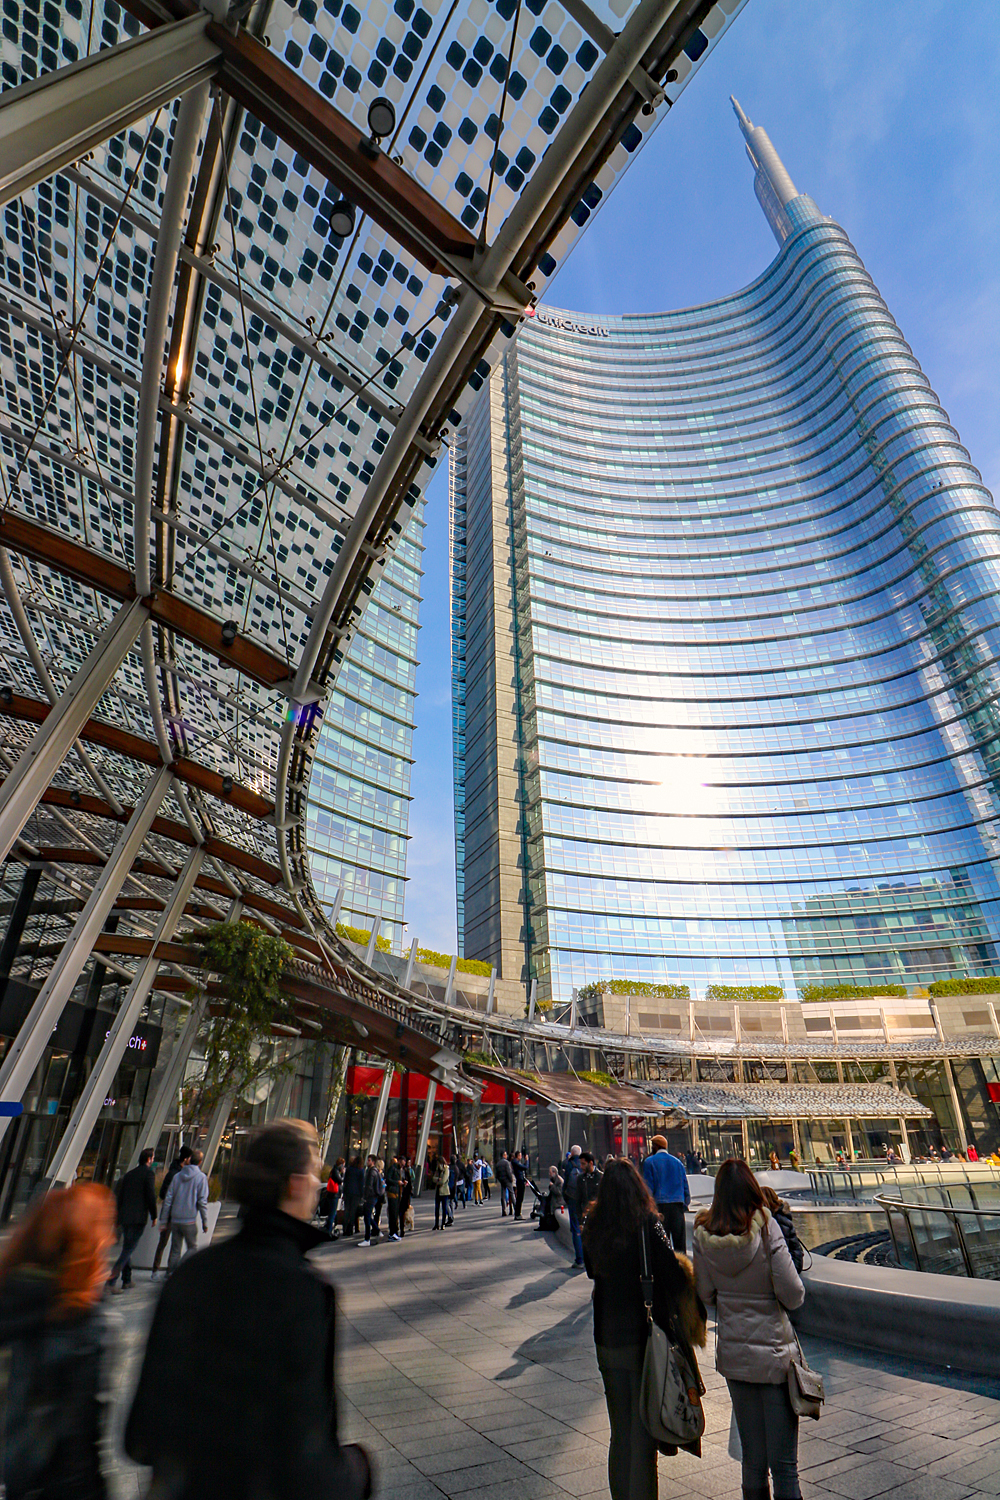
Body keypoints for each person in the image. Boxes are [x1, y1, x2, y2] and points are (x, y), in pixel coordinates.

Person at [125, 1121, 372, 1500]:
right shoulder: (302, 1291)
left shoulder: (191, 1275)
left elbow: (140, 1437)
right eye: (313, 1172)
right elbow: (307, 1457)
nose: (318, 1183)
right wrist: (357, 1471)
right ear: (294, 1183)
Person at [583, 1158, 706, 1500]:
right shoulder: (647, 1223)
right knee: (642, 1435)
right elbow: (672, 1274)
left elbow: (592, 1271)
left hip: (606, 1339)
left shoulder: (592, 1224)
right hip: (643, 1337)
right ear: (639, 1187)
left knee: (619, 1433)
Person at [693, 1160, 805, 1500]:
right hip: (774, 1357)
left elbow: (705, 1293)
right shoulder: (766, 1226)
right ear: (751, 1189)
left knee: (752, 1461)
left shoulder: (703, 1235)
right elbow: (793, 1293)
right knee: (784, 1464)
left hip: (735, 1355)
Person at [0, 1183, 117, 1500]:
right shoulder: (78, 1323)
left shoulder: (10, 1295)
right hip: (56, 1485)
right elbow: (79, 1436)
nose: (112, 1240)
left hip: (15, 1474)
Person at [108, 1147, 157, 1292]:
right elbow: (151, 1196)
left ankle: (127, 1280)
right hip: (137, 1218)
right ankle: (110, 1282)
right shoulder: (148, 1174)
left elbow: (120, 1197)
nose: (153, 1160)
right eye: (153, 1158)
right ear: (149, 1159)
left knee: (127, 1248)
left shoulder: (128, 1175)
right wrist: (154, 1215)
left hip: (125, 1217)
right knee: (128, 1249)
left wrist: (117, 1217)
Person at [641, 1134, 690, 1254]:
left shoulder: (649, 1162)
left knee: (662, 1245)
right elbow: (685, 1186)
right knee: (680, 1244)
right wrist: (685, 1202)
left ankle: (666, 1270)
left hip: (660, 1207)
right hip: (677, 1206)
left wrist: (648, 1207)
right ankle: (682, 1269)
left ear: (656, 1146)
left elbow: (648, 1187)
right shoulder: (678, 1162)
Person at [162, 1147, 209, 1270]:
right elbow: (202, 1201)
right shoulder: (201, 1177)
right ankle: (178, 1268)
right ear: (200, 1162)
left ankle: (170, 1273)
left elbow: (168, 1199)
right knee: (192, 1248)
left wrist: (164, 1219)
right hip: (189, 1219)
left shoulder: (177, 1176)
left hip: (175, 1219)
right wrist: (205, 1221)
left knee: (175, 1249)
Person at [150, 1143, 193, 1278]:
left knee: (172, 1243)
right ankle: (159, 1271)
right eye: (190, 1158)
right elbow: (164, 1194)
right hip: (172, 1214)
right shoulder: (175, 1174)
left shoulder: (178, 1173)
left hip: (175, 1214)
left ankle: (164, 1271)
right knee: (167, 1243)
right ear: (186, 1159)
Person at [760, 1186, 805, 1274]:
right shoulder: (780, 1216)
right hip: (793, 1260)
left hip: (793, 1264)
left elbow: (782, 1248)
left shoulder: (778, 1220)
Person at [562, 1144, 585, 1267]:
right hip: (584, 1201)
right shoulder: (584, 1164)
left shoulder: (569, 1164)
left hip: (573, 1200)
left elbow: (565, 1185)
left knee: (576, 1228)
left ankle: (579, 1260)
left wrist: (567, 1198)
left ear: (571, 1153)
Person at [360, 1155, 382, 1246]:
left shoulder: (371, 1172)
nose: (367, 1162)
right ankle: (377, 1231)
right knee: (368, 1216)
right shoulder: (375, 1171)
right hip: (373, 1197)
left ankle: (367, 1239)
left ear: (372, 1162)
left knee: (367, 1217)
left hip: (370, 1197)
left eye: (369, 1160)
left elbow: (369, 1186)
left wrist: (365, 1197)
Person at [342, 1155, 364, 1236]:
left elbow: (345, 1181)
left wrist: (344, 1192)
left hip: (348, 1192)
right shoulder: (361, 1171)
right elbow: (361, 1184)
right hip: (356, 1193)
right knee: (353, 1211)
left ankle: (345, 1229)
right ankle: (350, 1229)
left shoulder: (349, 1169)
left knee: (347, 1210)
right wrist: (362, 1194)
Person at [578, 1151, 603, 1219]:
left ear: (591, 1163)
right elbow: (578, 1199)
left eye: (583, 1164)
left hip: (599, 1215)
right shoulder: (580, 1178)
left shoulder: (601, 1177)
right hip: (585, 1215)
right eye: (581, 1164)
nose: (581, 1166)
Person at [324, 1159, 344, 1238]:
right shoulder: (336, 1171)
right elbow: (340, 1180)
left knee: (333, 1212)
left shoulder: (334, 1170)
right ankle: (329, 1230)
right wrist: (342, 1174)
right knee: (332, 1212)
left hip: (332, 1195)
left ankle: (329, 1227)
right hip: (333, 1195)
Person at [432, 1153, 453, 1229]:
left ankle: (443, 1224)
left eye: (438, 1163)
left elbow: (443, 1180)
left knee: (444, 1208)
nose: (438, 1165)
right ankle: (436, 1224)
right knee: (437, 1208)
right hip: (438, 1191)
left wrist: (438, 1181)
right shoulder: (438, 1170)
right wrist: (437, 1179)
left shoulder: (446, 1169)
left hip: (444, 1192)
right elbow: (433, 1178)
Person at [496, 1151, 515, 1216]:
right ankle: (515, 1208)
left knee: (503, 1195)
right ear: (504, 1155)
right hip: (507, 1180)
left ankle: (503, 1210)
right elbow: (509, 1172)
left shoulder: (498, 1163)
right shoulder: (507, 1163)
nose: (506, 1156)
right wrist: (511, 1179)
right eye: (506, 1154)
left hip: (502, 1180)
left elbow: (497, 1174)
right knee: (512, 1193)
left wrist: (500, 1179)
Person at [399, 1156, 413, 1236]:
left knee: (402, 1212)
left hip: (404, 1195)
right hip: (399, 1194)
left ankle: (402, 1229)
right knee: (399, 1213)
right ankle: (399, 1228)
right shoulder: (398, 1171)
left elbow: (410, 1183)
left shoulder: (406, 1171)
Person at [512, 1150, 527, 1219]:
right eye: (520, 1156)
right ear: (518, 1156)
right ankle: (517, 1213)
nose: (521, 1157)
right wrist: (527, 1161)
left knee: (520, 1197)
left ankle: (518, 1213)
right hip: (519, 1180)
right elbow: (525, 1167)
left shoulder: (517, 1162)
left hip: (521, 1180)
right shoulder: (515, 1162)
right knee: (520, 1197)